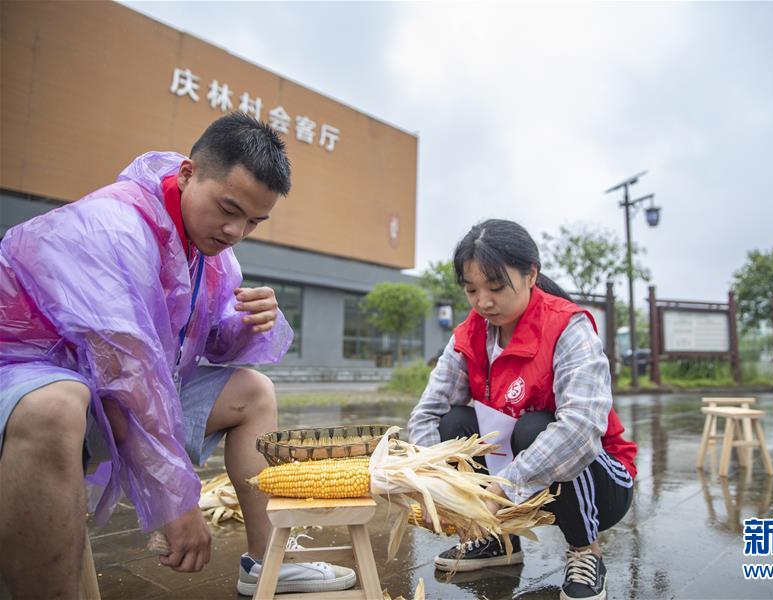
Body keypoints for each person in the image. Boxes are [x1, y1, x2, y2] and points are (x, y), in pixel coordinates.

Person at [0, 113, 355, 597]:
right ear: (188, 173)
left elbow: (209, 341)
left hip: (114, 393)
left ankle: (268, 561)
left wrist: (250, 321)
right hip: (33, 379)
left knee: (253, 392)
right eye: (229, 209)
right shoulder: (116, 227)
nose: (236, 230)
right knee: (57, 401)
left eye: (254, 221)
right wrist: (178, 501)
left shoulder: (208, 251)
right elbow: (124, 377)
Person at [407, 219, 637, 600]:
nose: (483, 302)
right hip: (514, 480)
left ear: (531, 274)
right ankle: (497, 541)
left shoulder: (568, 328)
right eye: (471, 290)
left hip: (602, 483)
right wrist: (434, 484)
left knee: (535, 429)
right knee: (453, 423)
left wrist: (504, 487)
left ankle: (586, 551)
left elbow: (580, 428)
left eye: (496, 287)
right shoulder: (469, 335)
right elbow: (427, 413)